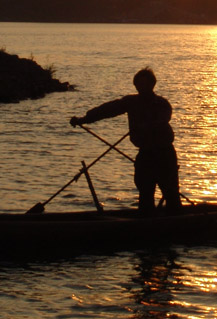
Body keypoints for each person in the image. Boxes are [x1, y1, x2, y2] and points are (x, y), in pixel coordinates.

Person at [70, 67, 181, 214]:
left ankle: (176, 222)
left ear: (152, 85)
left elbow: (162, 120)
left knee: (171, 194)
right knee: (145, 194)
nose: (141, 88)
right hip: (145, 155)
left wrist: (144, 126)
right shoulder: (131, 102)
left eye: (145, 84)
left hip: (164, 156)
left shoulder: (162, 104)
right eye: (138, 85)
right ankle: (146, 223)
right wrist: (84, 119)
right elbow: (107, 110)